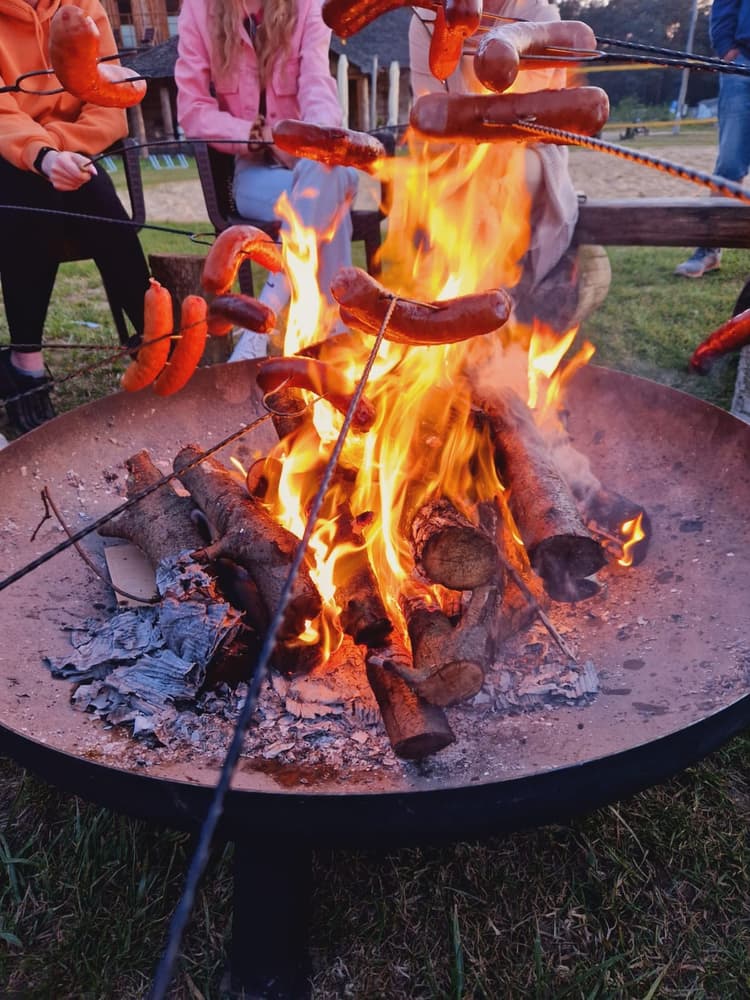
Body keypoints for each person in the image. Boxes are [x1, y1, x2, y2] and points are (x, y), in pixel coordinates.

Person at [175, 0, 360, 361]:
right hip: (253, 171)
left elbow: (317, 85)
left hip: (310, 164)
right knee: (334, 190)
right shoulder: (199, 10)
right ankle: (335, 342)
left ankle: (266, 312)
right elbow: (193, 108)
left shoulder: (309, 6)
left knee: (330, 175)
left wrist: (310, 142)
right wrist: (255, 134)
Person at [0, 0, 151, 434]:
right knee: (32, 193)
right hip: (8, 162)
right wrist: (41, 154)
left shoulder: (85, 9)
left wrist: (61, 148)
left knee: (98, 193)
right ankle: (26, 362)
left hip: (70, 154)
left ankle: (155, 340)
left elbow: (107, 106)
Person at [406, 0, 595, 332]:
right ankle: (458, 308)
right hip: (450, 158)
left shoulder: (539, 17)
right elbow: (430, 114)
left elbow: (521, 126)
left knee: (501, 172)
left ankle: (482, 310)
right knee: (445, 183)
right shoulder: (424, 18)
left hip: (529, 153)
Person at [674, 0, 750, 278]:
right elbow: (724, 8)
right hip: (742, 64)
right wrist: (727, 50)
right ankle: (709, 249)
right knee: (730, 164)